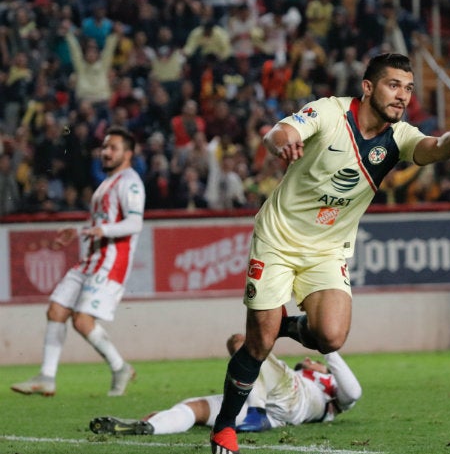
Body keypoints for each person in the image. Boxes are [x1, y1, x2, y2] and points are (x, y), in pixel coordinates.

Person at [208, 52, 450, 454]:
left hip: (326, 250)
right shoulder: (329, 112)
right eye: (394, 85)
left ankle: (281, 327)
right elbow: (279, 132)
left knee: (331, 336)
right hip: (277, 239)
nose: (402, 96)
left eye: (409, 88)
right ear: (369, 87)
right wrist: (285, 143)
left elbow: (434, 148)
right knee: (257, 345)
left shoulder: (399, 137)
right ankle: (224, 428)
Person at [11, 126, 145, 397]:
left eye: (113, 148)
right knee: (56, 310)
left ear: (128, 154)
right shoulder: (107, 183)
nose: (106, 152)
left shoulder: (130, 182)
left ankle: (119, 367)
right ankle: (47, 377)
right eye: (104, 147)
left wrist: (101, 231)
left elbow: (134, 222)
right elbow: (102, 222)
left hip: (111, 262)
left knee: (82, 321)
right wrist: (80, 231)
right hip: (91, 259)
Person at [89, 332, 361, 435]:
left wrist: (328, 346)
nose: (305, 357)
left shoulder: (328, 388)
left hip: (288, 397)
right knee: (192, 408)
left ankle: (255, 411)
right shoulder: (311, 378)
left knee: (240, 342)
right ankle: (151, 426)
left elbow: (354, 392)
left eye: (311, 361)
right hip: (273, 410)